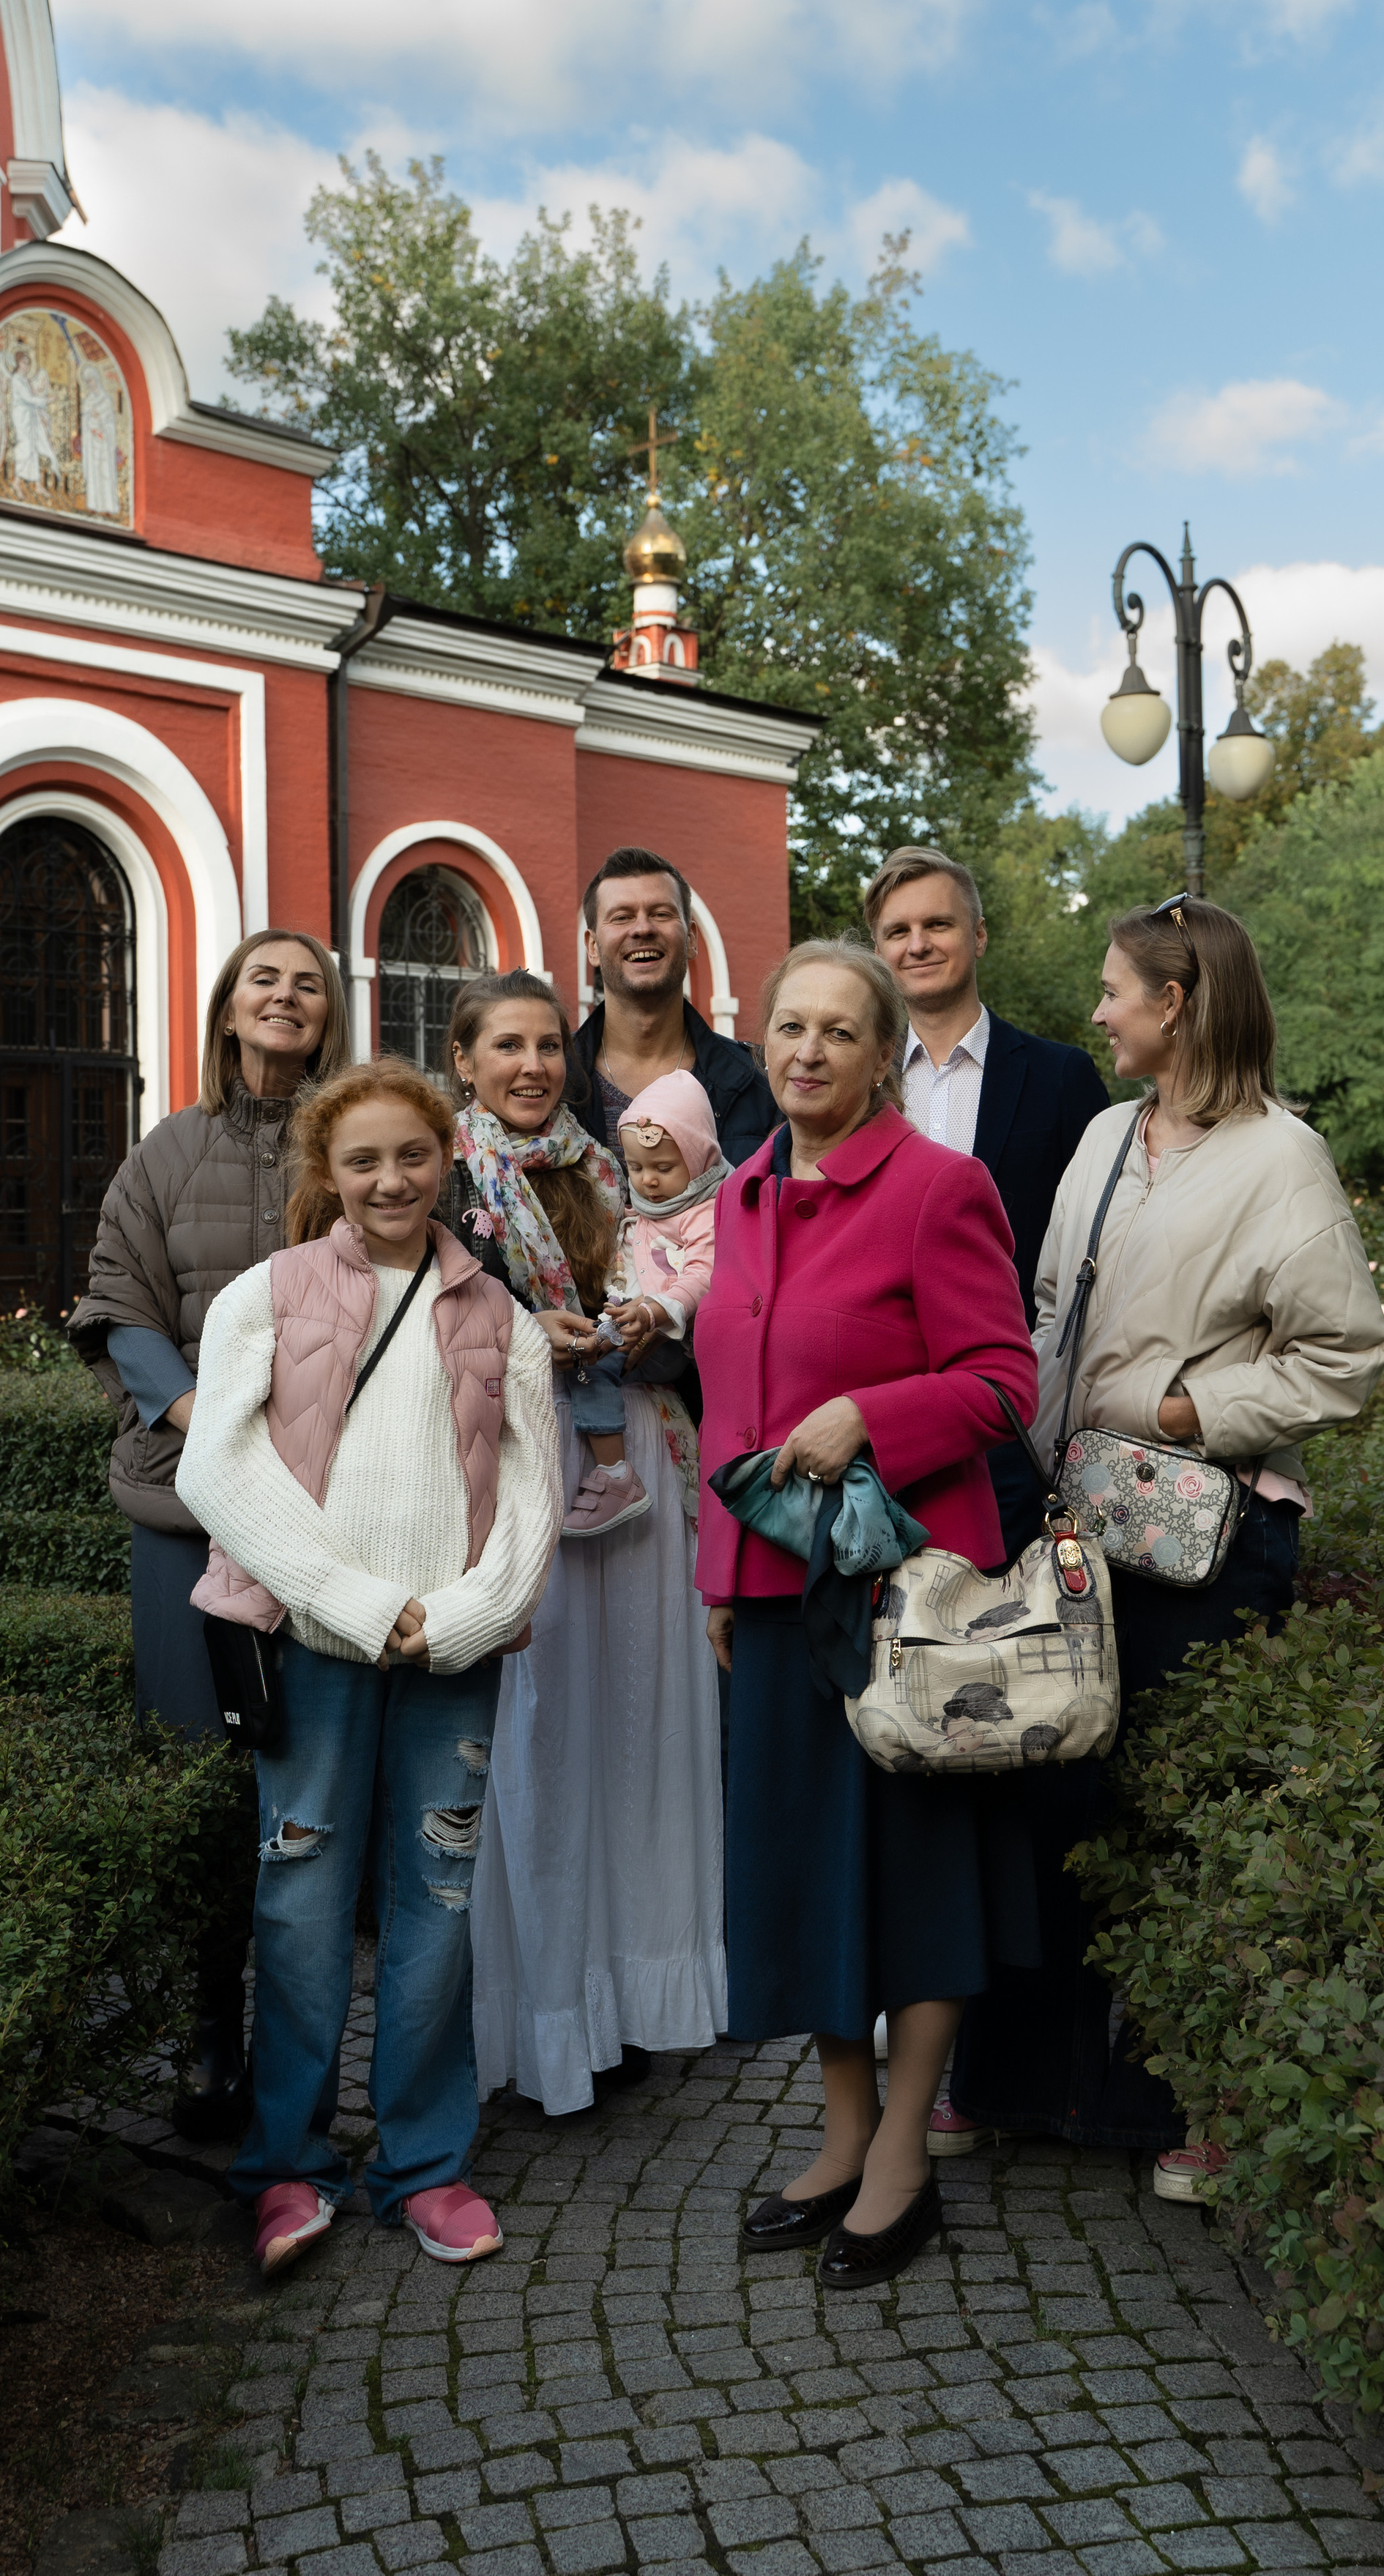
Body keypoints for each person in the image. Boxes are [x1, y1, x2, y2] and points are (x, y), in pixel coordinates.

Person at [946, 895, 1384, 2197]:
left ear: (1178, 1003)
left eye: (1115, 990)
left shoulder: (1283, 1159)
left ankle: (1185, 2107)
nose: (1096, 1012)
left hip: (1207, 1533)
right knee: (1044, 1793)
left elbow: (1347, 1358)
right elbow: (1043, 1307)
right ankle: (1021, 2083)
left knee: (1172, 1814)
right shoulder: (1098, 1133)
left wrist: (1192, 1410)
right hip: (1075, 1516)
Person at [175, 1059, 560, 2272]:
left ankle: (422, 2164)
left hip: (448, 1649)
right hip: (309, 1642)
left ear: (448, 1156)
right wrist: (347, 1600)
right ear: (328, 1174)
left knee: (434, 1899)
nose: (390, 1179)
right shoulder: (267, 1295)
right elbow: (216, 1472)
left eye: (412, 1155)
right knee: (297, 1898)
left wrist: (458, 1616)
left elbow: (536, 1496)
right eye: (363, 1160)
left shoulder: (503, 1317)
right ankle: (287, 2164)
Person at [694, 936, 1039, 2290]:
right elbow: (726, 1407)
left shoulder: (941, 1190)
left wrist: (869, 1417)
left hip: (906, 1605)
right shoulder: (744, 1194)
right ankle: (840, 2133)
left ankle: (904, 2144)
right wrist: (721, 1575)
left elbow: (1005, 1382)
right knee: (798, 1871)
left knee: (915, 1874)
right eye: (790, 1027)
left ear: (887, 1051)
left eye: (841, 1031)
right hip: (777, 1600)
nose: (808, 1052)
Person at [68, 928, 349, 2134]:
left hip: (331, 1505)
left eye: (306, 985)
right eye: (263, 981)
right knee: (201, 1770)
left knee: (314, 1777)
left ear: (326, 1017)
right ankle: (202, 2033)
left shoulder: (351, 1146)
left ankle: (301, 2041)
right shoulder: (167, 1151)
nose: (283, 999)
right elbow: (119, 1300)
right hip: (189, 1504)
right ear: (230, 1009)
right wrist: (203, 1415)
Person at [445, 970, 729, 2112]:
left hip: (637, 1462)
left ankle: (644, 1999)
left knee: (643, 1731)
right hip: (519, 1469)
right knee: (547, 1741)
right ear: (463, 1059)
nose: (531, 1065)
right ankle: (553, 2013)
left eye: (548, 1045)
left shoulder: (619, 1168)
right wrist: (528, 1340)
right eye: (505, 1045)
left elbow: (694, 1300)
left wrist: (640, 1329)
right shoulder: (446, 1177)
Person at [865, 845, 1110, 1556]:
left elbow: (1106, 1238)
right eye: (896, 931)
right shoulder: (853, 1088)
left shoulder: (1061, 1077)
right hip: (882, 1416)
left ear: (977, 935)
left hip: (1018, 1419)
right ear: (878, 953)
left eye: (937, 924)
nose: (917, 944)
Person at [562, 1069, 729, 1540]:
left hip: (670, 1336)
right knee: (580, 1350)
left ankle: (615, 1476)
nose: (648, 1181)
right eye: (636, 1168)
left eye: (663, 1168)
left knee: (590, 1365)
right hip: (637, 1320)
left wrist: (656, 1310)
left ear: (698, 1161)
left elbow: (703, 1273)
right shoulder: (648, 1210)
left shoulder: (703, 1211)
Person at [572, 846, 780, 1168]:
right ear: (593, 947)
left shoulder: (762, 1083)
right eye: (622, 917)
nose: (643, 929)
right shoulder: (554, 1081)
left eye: (661, 913)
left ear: (692, 939)